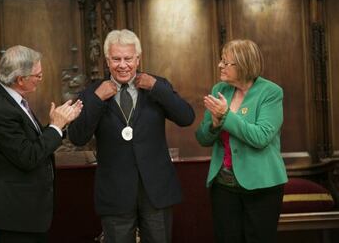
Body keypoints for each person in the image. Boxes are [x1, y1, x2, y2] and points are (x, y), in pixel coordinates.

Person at [68, 29, 195, 243]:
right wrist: (97, 100)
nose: (123, 65)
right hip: (115, 194)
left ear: (138, 59)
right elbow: (78, 137)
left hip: (156, 191)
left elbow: (186, 117)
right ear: (107, 61)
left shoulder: (157, 85)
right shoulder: (92, 92)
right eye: (116, 59)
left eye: (128, 58)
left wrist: (156, 88)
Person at [0, 45, 82, 243]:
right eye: (38, 75)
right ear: (20, 79)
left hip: (26, 213)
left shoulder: (12, 99)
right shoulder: (0, 109)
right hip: (15, 215)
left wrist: (57, 126)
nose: (40, 80)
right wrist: (55, 128)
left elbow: (28, 142)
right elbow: (28, 156)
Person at [195, 39, 288, 243]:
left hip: (261, 186)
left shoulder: (270, 92)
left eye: (225, 62)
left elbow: (261, 137)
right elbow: (202, 138)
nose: (220, 65)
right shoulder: (220, 90)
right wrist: (214, 124)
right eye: (221, 60)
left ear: (244, 64)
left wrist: (226, 116)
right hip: (224, 186)